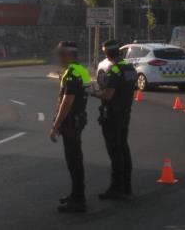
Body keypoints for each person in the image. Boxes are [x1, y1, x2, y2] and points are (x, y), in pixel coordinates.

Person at [92, 39, 137, 200]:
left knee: (115, 151)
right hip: (125, 113)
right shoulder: (130, 67)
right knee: (124, 148)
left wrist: (93, 93)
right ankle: (126, 186)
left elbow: (108, 94)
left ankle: (116, 188)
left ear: (107, 54)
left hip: (112, 115)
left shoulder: (114, 70)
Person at [49, 41, 91, 213]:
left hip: (71, 122)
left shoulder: (72, 73)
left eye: (61, 54)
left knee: (74, 161)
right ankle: (76, 194)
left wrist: (55, 125)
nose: (59, 57)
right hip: (78, 119)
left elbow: (67, 102)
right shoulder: (81, 70)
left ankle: (78, 199)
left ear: (69, 55)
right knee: (76, 160)